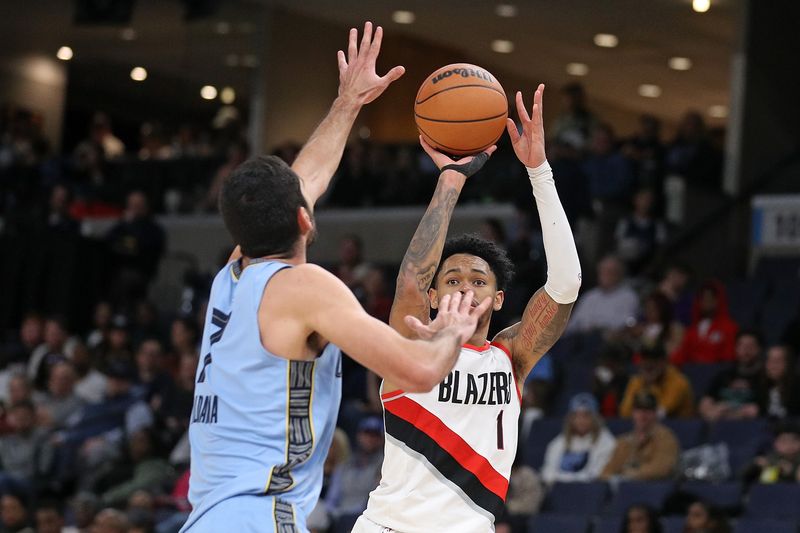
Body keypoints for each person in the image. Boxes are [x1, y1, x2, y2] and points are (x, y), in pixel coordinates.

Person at [180, 23, 491, 533]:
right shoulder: (304, 288)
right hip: (260, 516)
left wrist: (349, 102)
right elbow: (417, 372)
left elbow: (307, 180)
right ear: (305, 220)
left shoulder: (231, 277)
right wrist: (453, 332)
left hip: (207, 519)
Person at [357, 84, 582, 532]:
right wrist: (452, 179)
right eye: (452, 280)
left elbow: (565, 284)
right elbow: (410, 281)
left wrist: (539, 171)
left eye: (479, 282)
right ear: (434, 297)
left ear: (498, 300)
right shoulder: (411, 347)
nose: (466, 289)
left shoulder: (510, 357)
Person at [600, 391, 680, 481]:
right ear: (633, 413)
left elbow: (661, 468)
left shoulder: (666, 438)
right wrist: (612, 478)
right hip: (626, 491)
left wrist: (629, 475)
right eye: (638, 410)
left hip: (655, 490)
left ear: (655, 413)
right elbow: (606, 472)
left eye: (648, 410)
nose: (643, 415)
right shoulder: (624, 441)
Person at [541, 393, 616, 485]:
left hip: (587, 491)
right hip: (559, 490)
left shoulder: (606, 441)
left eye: (586, 415)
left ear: (595, 418)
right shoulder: (559, 442)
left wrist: (563, 479)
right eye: (576, 415)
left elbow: (596, 474)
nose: (581, 420)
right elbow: (547, 472)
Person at [699, 330, 767, 422]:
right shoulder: (723, 375)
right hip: (720, 425)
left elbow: (756, 411)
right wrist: (710, 412)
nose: (746, 350)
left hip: (749, 427)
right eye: (742, 346)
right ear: (736, 348)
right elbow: (705, 402)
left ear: (759, 349)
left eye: (750, 346)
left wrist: (733, 414)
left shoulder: (765, 378)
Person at [671, 280, 738, 366]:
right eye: (703, 298)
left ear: (719, 300)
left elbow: (729, 358)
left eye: (711, 298)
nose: (707, 301)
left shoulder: (730, 327)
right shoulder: (692, 330)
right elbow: (681, 355)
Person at [619, 344, 695, 418]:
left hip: (677, 428)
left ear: (664, 361)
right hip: (645, 427)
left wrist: (650, 385)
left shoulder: (678, 382)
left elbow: (662, 412)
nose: (649, 364)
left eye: (654, 359)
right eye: (645, 359)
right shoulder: (636, 381)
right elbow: (624, 412)